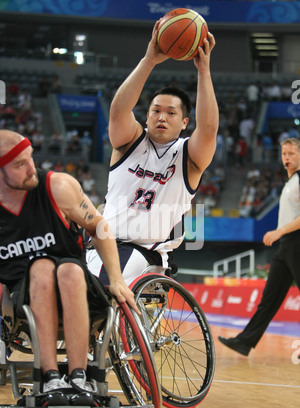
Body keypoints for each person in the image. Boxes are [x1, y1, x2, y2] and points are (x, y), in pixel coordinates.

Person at [0, 129, 137, 401]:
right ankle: (49, 376)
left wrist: (117, 278)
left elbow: (98, 227)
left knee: (68, 269)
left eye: (31, 158)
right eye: (19, 164)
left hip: (75, 286)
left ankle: (79, 375)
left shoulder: (57, 187)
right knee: (40, 267)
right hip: (21, 300)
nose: (32, 169)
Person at [87, 22, 219, 285]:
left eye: (171, 113)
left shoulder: (188, 157)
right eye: (156, 110)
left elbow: (208, 128)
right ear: (146, 115)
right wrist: (149, 60)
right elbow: (118, 112)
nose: (162, 117)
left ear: (184, 122)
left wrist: (203, 71)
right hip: (100, 244)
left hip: (143, 251)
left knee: (92, 291)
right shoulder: (130, 142)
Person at [219, 138, 300, 356]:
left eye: (292, 154)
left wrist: (279, 231)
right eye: (284, 154)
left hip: (296, 242)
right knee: (269, 300)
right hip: (285, 246)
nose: (287, 158)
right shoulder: (290, 181)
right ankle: (244, 342)